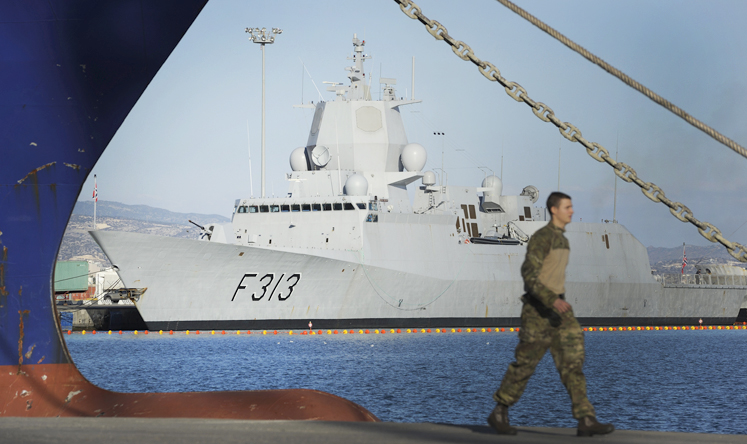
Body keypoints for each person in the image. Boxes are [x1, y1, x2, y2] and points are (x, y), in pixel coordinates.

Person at [487, 192, 614, 437]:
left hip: (559, 311)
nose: (572, 211)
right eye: (568, 207)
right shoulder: (542, 238)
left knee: (573, 364)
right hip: (538, 311)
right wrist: (551, 300)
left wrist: (558, 302)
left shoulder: (562, 240)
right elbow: (529, 275)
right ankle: (500, 411)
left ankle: (586, 419)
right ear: (554, 210)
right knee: (525, 365)